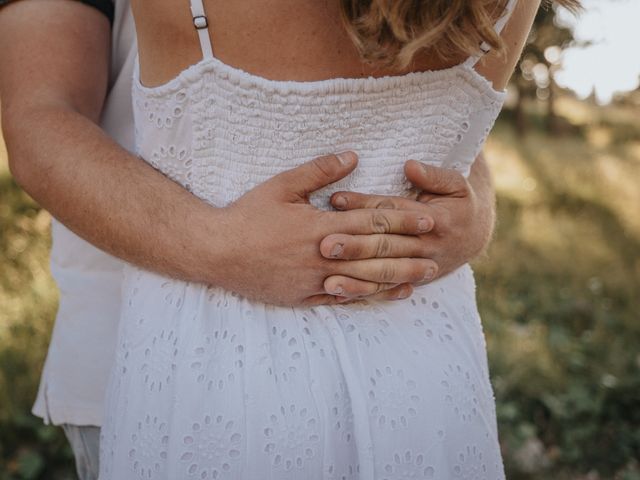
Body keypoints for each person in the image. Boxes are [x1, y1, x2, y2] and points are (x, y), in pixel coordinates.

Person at [0, 0, 499, 478]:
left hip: (416, 360)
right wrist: (216, 243)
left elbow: (440, 115)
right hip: (150, 350)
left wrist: (474, 211)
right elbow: (40, 114)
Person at [95, 0, 584, 478]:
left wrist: (475, 216)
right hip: (426, 368)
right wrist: (222, 245)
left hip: (207, 372)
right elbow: (452, 136)